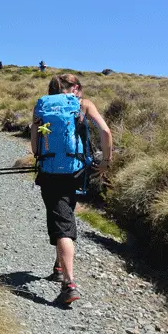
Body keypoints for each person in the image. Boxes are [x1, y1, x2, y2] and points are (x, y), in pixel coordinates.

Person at [30, 74, 112, 305]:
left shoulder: (43, 105)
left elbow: (35, 145)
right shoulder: (83, 104)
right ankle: (58, 267)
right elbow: (105, 132)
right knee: (65, 213)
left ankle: (69, 283)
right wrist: (105, 161)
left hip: (50, 172)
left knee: (62, 226)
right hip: (76, 172)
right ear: (75, 88)